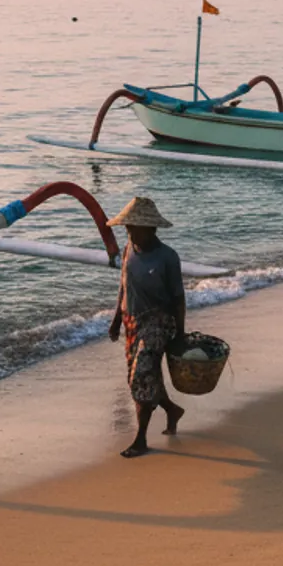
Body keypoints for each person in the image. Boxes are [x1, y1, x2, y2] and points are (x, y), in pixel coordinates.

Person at [106, 196, 186, 458]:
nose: (129, 232)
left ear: (151, 229)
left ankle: (140, 439)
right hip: (132, 321)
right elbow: (124, 285)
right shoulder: (130, 248)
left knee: (141, 374)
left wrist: (180, 333)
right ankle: (171, 409)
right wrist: (117, 319)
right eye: (127, 227)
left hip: (158, 322)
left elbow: (178, 298)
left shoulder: (167, 257)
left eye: (134, 227)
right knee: (142, 376)